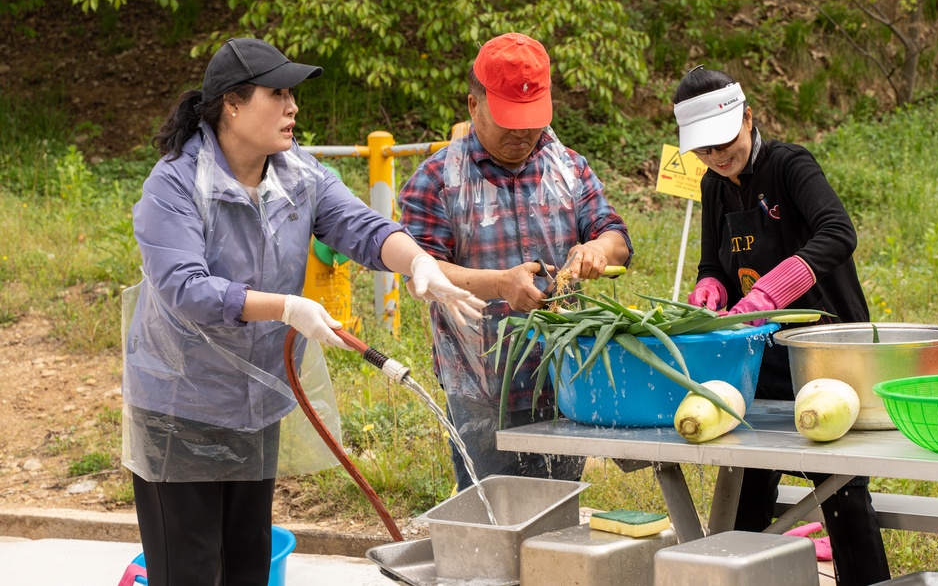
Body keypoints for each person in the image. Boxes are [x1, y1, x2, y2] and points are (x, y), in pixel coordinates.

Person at [123, 37, 485, 586]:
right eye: (278, 94)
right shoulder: (174, 185)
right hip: (181, 405)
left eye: (294, 95)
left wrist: (418, 264)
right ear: (233, 104)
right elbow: (185, 288)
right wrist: (288, 306)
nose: (293, 108)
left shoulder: (298, 174)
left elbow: (362, 227)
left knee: (247, 564)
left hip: (254, 402)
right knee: (188, 570)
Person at [674, 65, 891, 586]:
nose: (716, 157)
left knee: (840, 493)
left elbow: (839, 232)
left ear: (749, 117)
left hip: (826, 352)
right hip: (759, 358)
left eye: (723, 143)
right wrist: (713, 288)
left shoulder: (790, 165)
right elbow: (712, 263)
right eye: (704, 150)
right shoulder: (713, 185)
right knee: (746, 489)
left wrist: (773, 290)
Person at [397, 32, 633, 491]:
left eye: (532, 119)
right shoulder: (437, 179)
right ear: (473, 105)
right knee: (494, 520)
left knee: (558, 514)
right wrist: (499, 285)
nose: (522, 133)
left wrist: (596, 251)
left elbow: (615, 236)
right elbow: (420, 268)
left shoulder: (569, 167)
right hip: (481, 383)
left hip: (564, 373)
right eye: (509, 119)